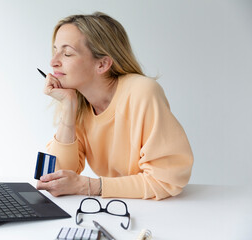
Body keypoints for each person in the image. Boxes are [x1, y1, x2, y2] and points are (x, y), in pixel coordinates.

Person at [36, 12, 193, 200]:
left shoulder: (143, 92)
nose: (53, 62)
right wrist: (68, 106)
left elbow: (166, 180)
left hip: (155, 212)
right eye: (55, 51)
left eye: (67, 53)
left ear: (102, 64)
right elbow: (57, 177)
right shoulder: (79, 101)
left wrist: (90, 186)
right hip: (117, 206)